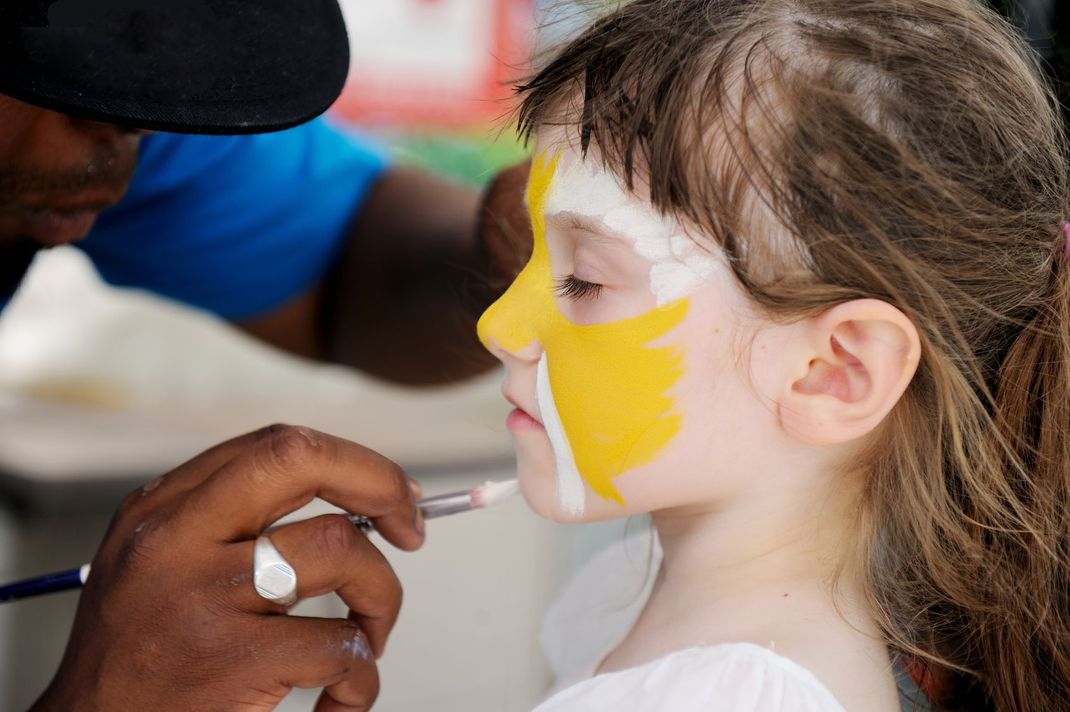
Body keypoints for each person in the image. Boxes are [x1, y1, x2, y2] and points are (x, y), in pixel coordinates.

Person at [477, 0, 1070, 710]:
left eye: (586, 279)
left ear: (836, 374)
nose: (499, 324)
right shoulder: (625, 590)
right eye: (536, 252)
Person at [1, 1, 530, 710]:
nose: (124, 135)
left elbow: (348, 263)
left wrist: (498, 256)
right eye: (61, 81)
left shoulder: (120, 119)